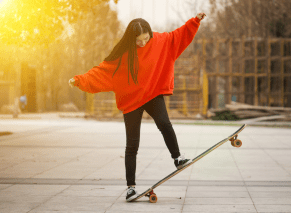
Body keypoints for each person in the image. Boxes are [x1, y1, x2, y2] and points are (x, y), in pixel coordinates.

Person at [69, 12, 206, 201]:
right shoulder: (124, 53)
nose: (142, 43)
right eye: (138, 41)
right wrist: (79, 80)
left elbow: (179, 36)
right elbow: (101, 72)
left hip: (152, 94)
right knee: (132, 144)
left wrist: (195, 21)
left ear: (150, 34)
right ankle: (131, 187)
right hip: (132, 100)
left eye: (145, 39)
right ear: (131, 39)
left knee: (164, 123)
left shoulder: (160, 41)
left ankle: (178, 159)